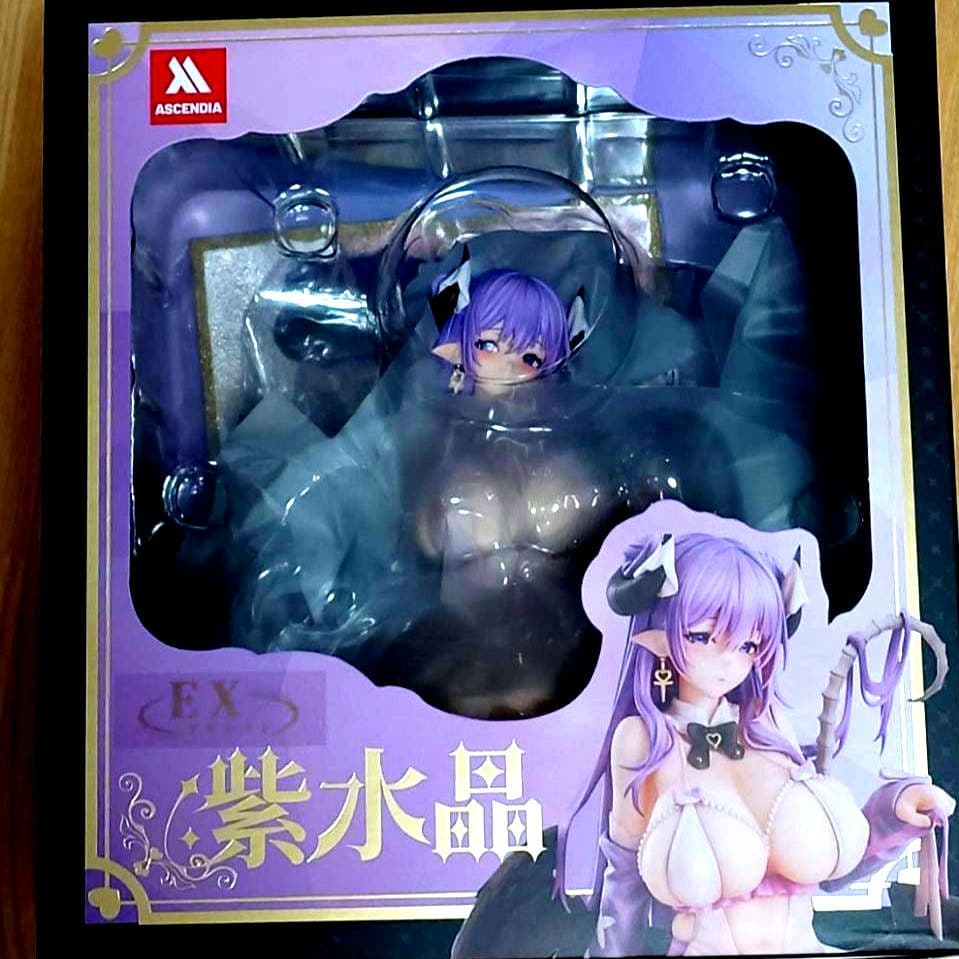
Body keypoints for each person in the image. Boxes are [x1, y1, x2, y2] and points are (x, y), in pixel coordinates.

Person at [553, 531, 955, 956]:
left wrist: (895, 813)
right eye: (702, 636)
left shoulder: (770, 724)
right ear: (660, 634)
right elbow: (625, 886)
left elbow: (828, 864)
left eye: (749, 644)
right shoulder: (642, 740)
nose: (729, 662)